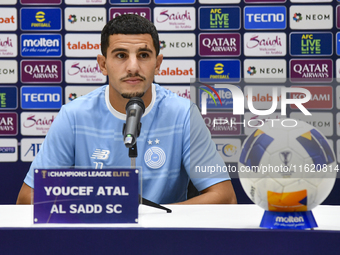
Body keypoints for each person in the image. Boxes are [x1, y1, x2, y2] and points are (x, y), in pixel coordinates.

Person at [17, 14, 237, 205]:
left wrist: (153, 216)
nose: (133, 67)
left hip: (162, 241)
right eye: (121, 55)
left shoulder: (183, 114)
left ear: (157, 63)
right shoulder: (74, 116)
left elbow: (224, 197)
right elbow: (28, 198)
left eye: (143, 55)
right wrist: (99, 211)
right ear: (103, 64)